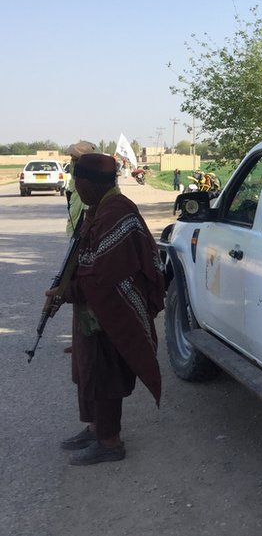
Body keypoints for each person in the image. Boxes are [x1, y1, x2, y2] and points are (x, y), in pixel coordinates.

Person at [46, 153, 165, 466]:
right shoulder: (98, 207)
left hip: (113, 308)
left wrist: (66, 292)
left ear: (88, 183)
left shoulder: (117, 212)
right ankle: (96, 427)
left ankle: (109, 442)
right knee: (87, 367)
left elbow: (101, 274)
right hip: (94, 309)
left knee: (103, 373)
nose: (75, 188)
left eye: (77, 182)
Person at [64, 140, 97, 236]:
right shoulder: (74, 179)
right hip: (77, 205)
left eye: (75, 159)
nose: (72, 162)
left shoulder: (96, 181)